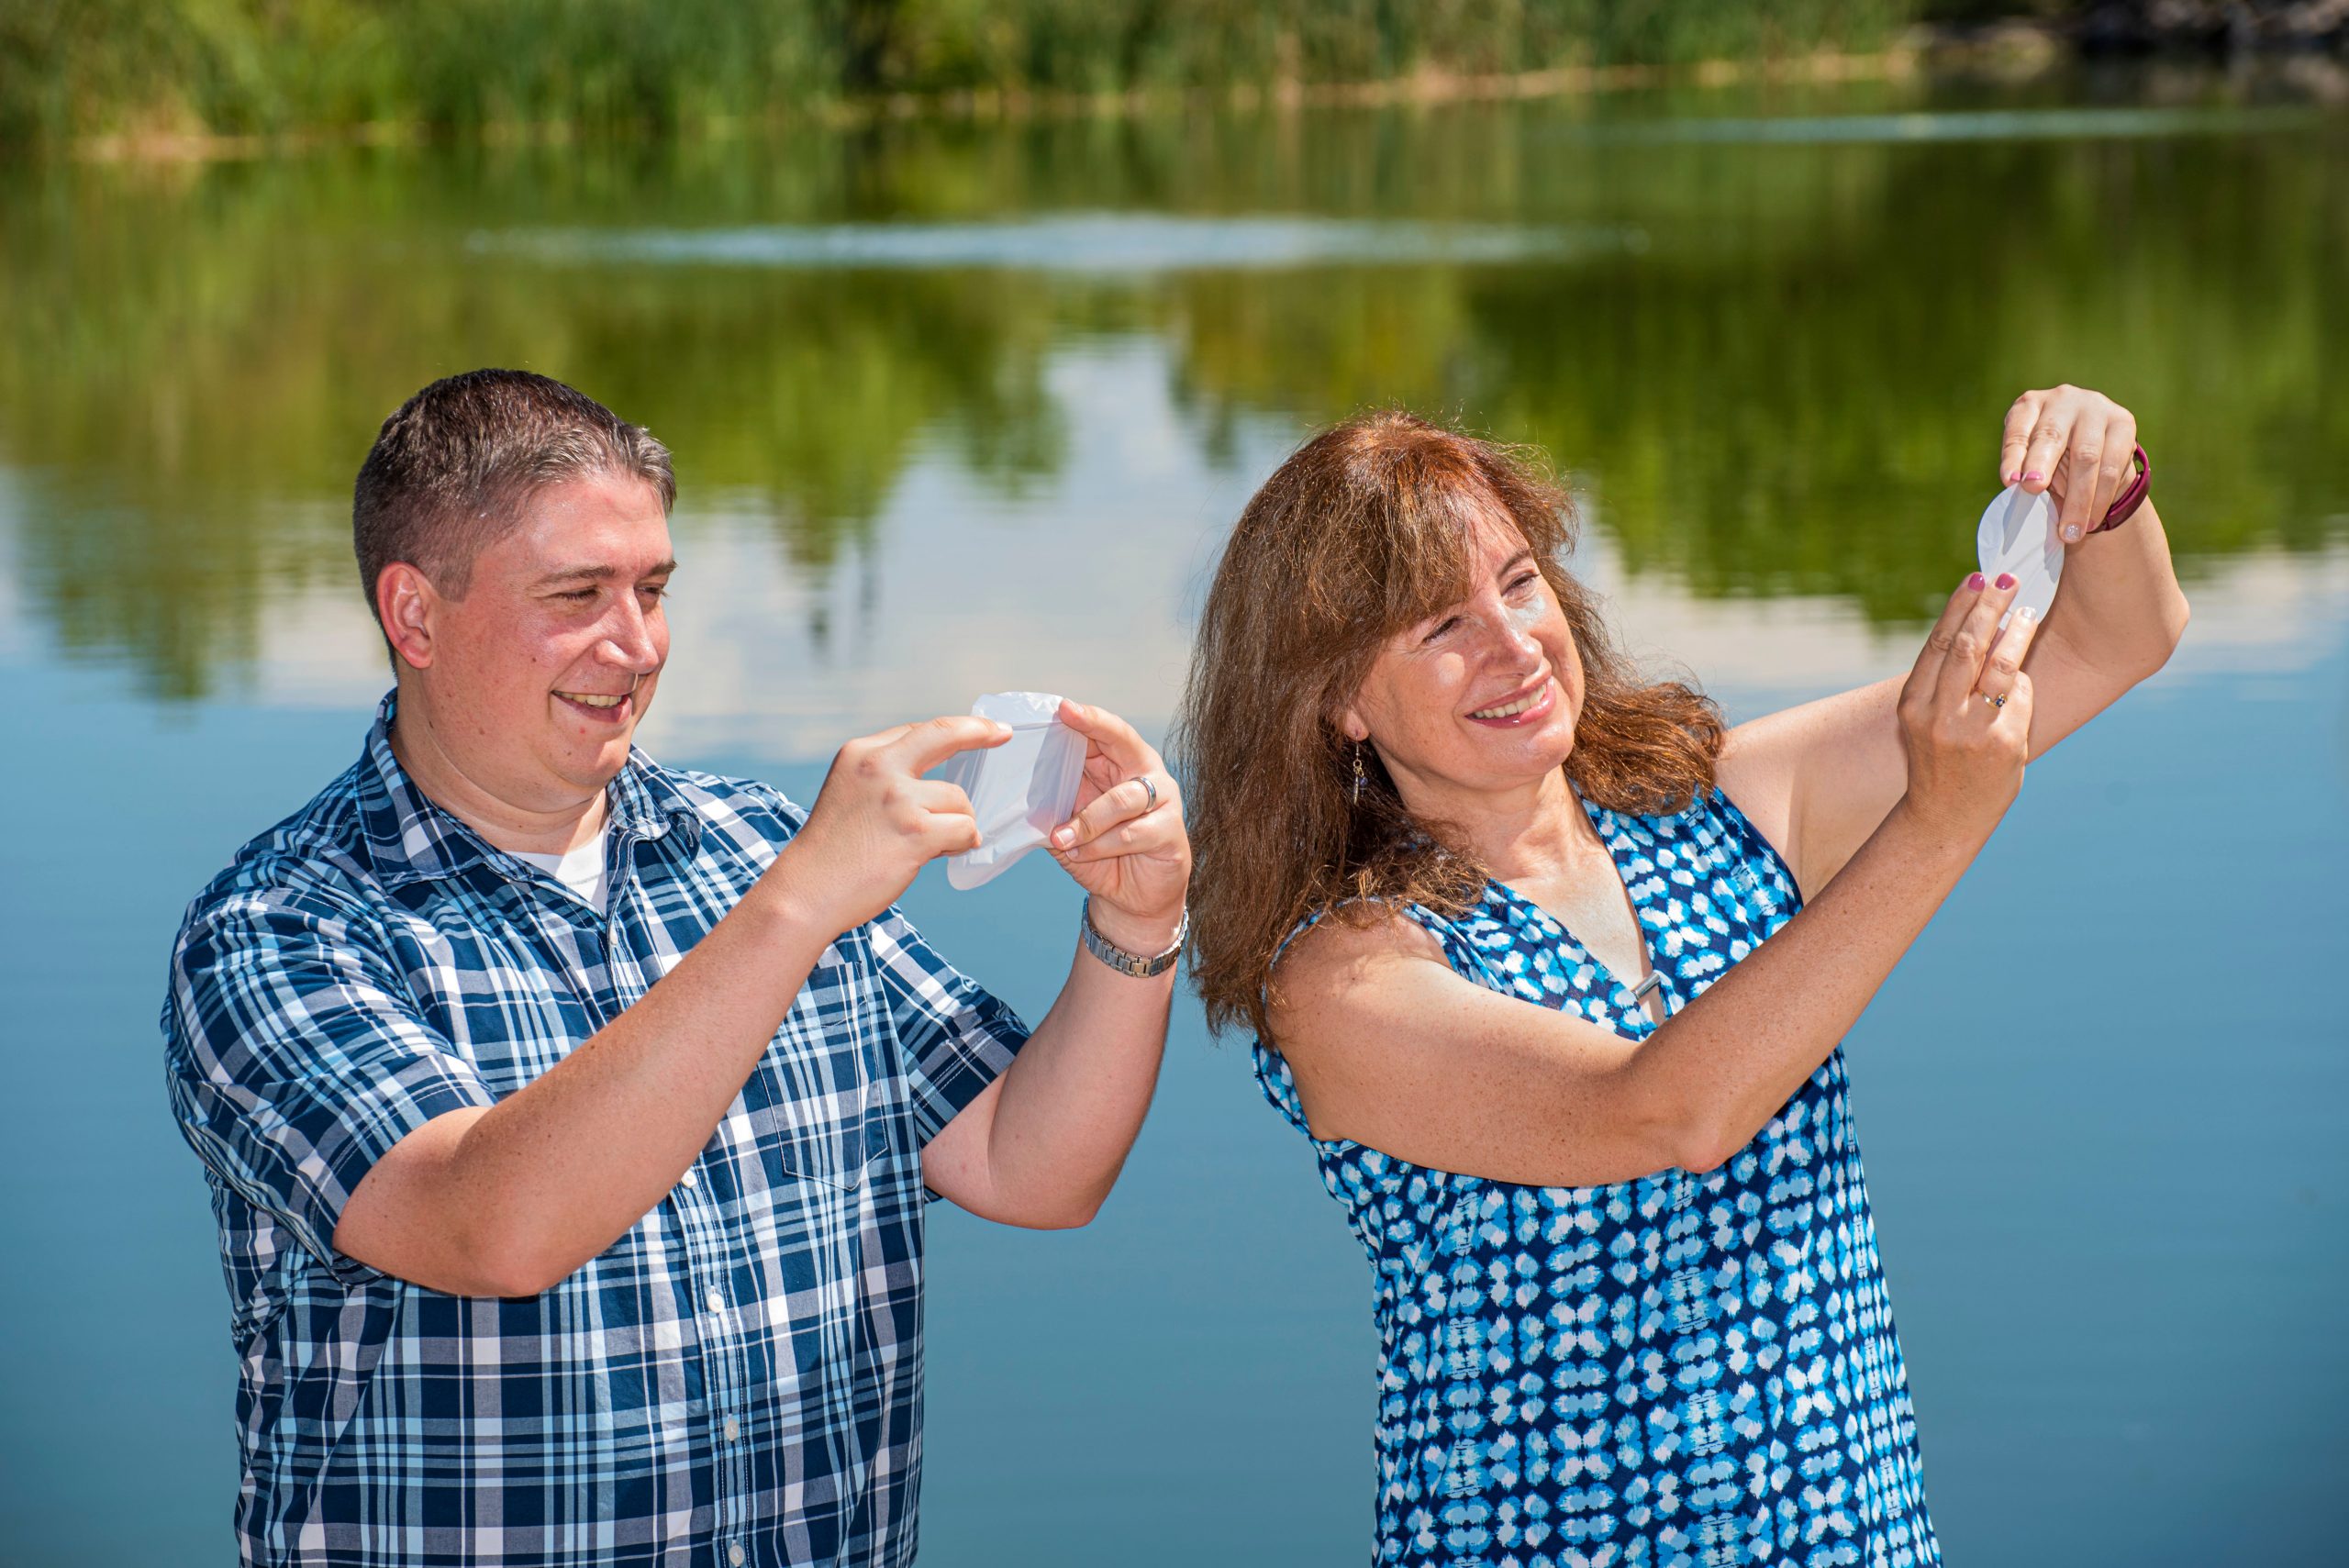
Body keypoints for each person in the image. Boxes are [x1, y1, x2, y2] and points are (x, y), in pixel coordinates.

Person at [162, 369, 1190, 1568]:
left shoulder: (759, 850)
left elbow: (1031, 1163)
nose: (639, 645)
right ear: (416, 615)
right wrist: (795, 909)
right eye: (579, 594)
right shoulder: (276, 931)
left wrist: (1136, 930)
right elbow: (490, 1223)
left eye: (653, 588)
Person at [1174, 388, 2187, 1566]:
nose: (1512, 645)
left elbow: (2118, 638)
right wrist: (1936, 824)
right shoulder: (1343, 976)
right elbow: (1661, 1108)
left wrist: (2101, 493)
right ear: (1337, 699)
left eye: (1516, 582)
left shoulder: (1730, 810)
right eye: (1437, 626)